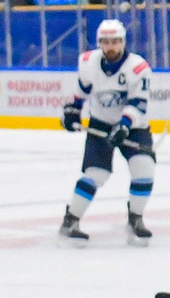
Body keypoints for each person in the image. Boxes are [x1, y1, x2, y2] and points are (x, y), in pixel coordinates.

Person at [58, 18, 155, 245]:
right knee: (95, 174)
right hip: (100, 123)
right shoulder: (88, 62)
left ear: (123, 42)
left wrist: (124, 125)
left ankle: (136, 218)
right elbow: (81, 91)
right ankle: (70, 219)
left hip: (134, 126)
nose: (111, 47)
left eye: (115, 42)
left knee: (144, 170)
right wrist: (72, 111)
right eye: (106, 42)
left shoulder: (138, 67)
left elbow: (138, 104)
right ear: (100, 43)